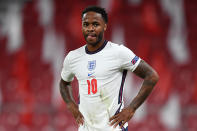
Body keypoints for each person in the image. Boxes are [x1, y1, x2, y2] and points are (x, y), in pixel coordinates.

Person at [59, 5, 159, 131]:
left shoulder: (119, 52)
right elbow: (64, 83)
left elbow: (152, 76)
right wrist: (71, 105)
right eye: (86, 24)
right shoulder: (73, 57)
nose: (90, 28)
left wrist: (132, 108)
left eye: (95, 24)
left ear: (105, 26)